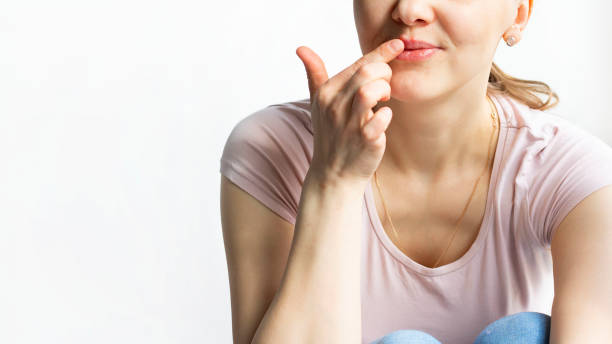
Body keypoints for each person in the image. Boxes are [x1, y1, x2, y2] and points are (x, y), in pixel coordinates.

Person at [220, 0, 612, 343]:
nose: (408, 8)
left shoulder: (572, 174)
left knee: (523, 336)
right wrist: (333, 181)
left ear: (519, 14)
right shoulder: (273, 150)